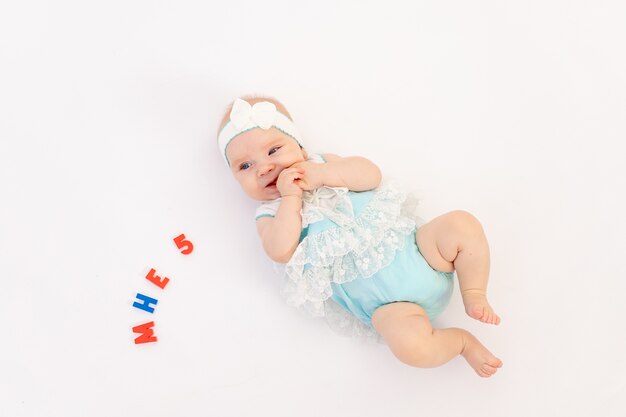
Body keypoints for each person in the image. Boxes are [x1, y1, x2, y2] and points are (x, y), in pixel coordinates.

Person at [217, 95, 503, 377]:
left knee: (462, 224)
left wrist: (323, 174)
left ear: (300, 147)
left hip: (422, 252)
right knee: (412, 348)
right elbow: (279, 249)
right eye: (245, 166)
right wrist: (291, 198)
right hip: (393, 310)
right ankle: (462, 342)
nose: (264, 168)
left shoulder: (323, 164)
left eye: (273, 150)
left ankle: (474, 292)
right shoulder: (270, 212)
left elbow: (371, 175)